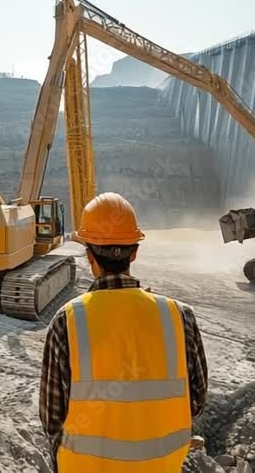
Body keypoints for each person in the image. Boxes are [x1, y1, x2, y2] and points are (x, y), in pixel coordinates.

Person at [39, 192, 208, 472]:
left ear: (89, 254)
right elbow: (196, 400)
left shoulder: (67, 321)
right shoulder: (180, 317)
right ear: (135, 252)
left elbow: (51, 418)